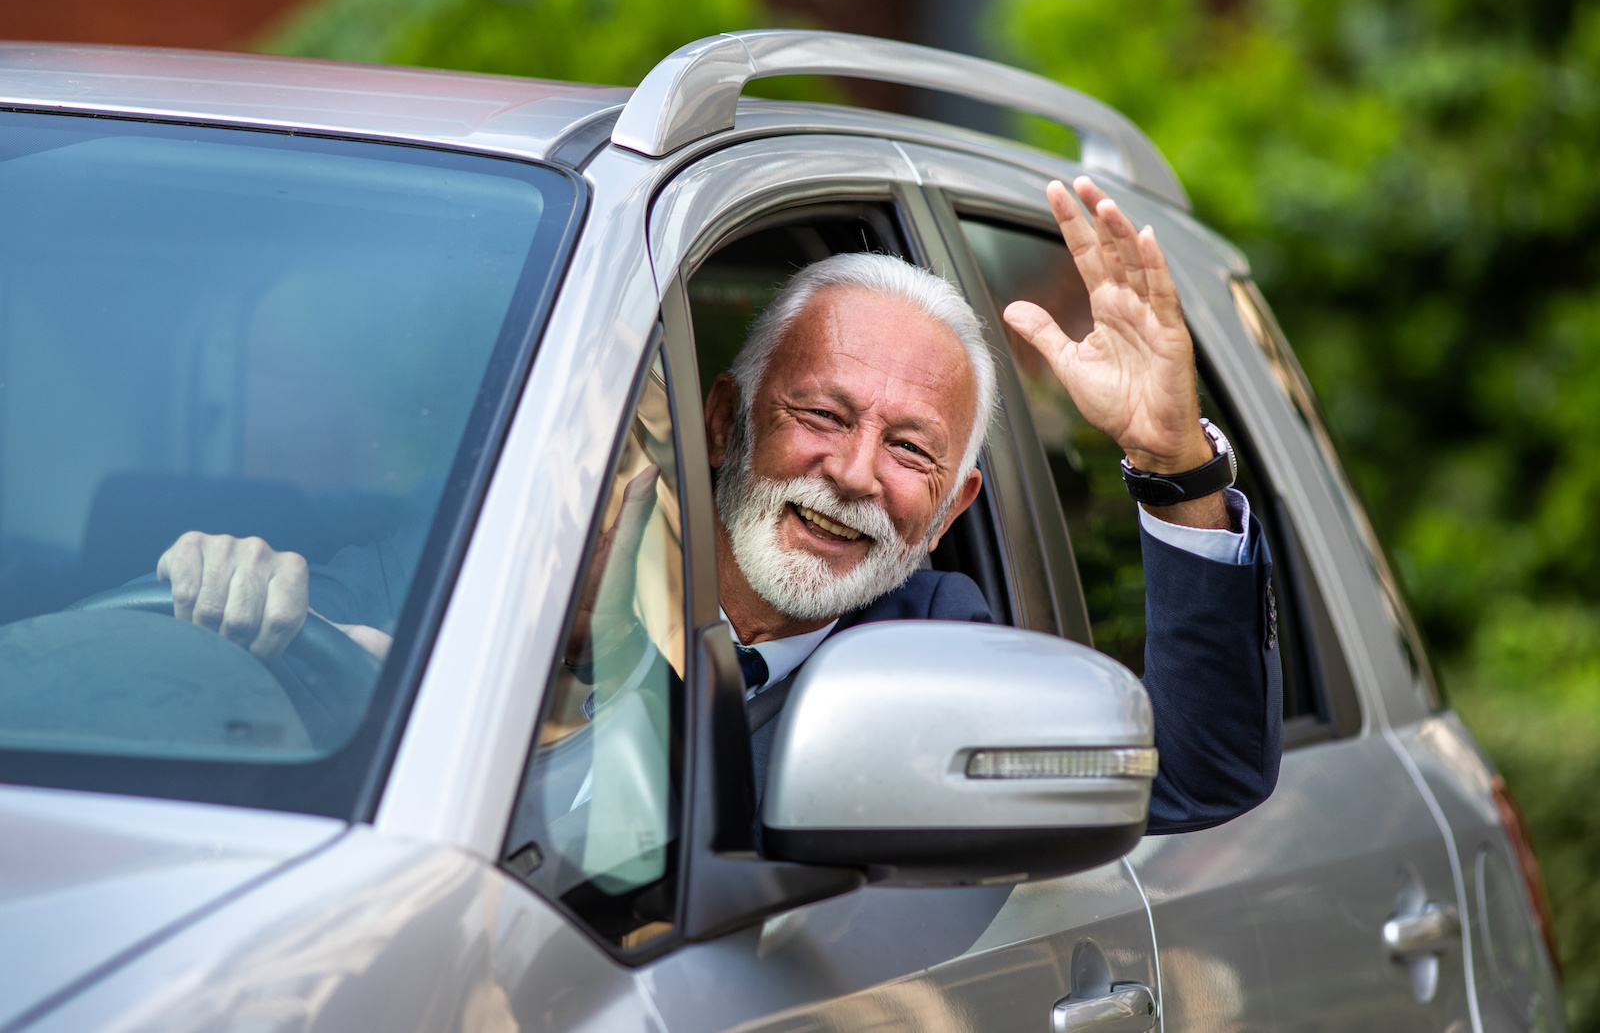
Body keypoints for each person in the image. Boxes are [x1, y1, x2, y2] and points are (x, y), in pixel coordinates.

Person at [155, 177, 1282, 832]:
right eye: (823, 414)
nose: (851, 472)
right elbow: (287, 636)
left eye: (908, 449)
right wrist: (235, 596)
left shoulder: (939, 647)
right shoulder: (515, 557)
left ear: (948, 510)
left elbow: (1196, 777)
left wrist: (1173, 458)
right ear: (719, 423)